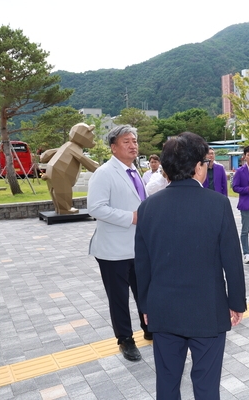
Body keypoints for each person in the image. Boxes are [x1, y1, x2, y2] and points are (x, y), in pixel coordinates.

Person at [135, 132, 246, 400]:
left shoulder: (148, 207)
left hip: (164, 310)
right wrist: (237, 302)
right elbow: (232, 258)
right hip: (208, 309)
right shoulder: (217, 204)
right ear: (198, 166)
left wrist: (145, 306)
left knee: (167, 381)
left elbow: (142, 262)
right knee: (207, 385)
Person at [87, 125, 150, 363]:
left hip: (138, 246)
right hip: (113, 250)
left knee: (143, 291)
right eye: (127, 141)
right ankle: (125, 339)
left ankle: (148, 328)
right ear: (113, 147)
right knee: (119, 298)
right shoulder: (104, 173)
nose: (133, 145)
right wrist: (130, 217)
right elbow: (95, 208)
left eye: (134, 140)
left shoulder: (135, 171)